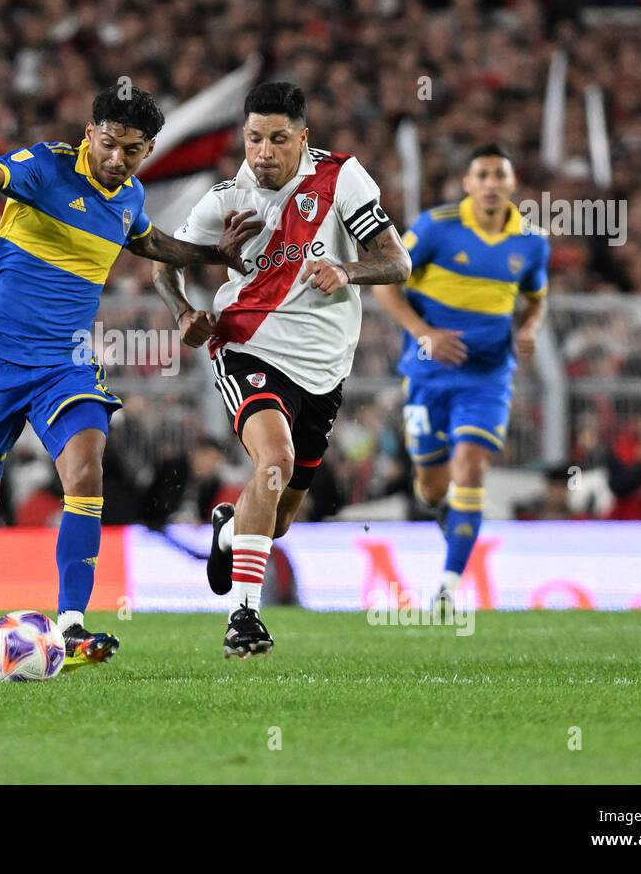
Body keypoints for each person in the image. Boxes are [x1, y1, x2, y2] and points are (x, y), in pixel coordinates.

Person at [0, 85, 255, 669]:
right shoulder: (46, 166)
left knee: (85, 469)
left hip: (62, 363)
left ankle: (70, 624)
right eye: (109, 143)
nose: (117, 159)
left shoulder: (131, 196)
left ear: (147, 150)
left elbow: (147, 240)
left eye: (133, 150)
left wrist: (208, 254)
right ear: (89, 131)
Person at [153, 81, 411, 657]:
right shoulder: (224, 199)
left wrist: (346, 271)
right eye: (253, 139)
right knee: (275, 459)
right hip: (246, 345)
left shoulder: (341, 179)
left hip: (324, 367)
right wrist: (186, 313)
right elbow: (164, 266)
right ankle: (244, 617)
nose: (263, 152)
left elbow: (397, 262)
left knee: (280, 518)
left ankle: (228, 530)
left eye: (277, 139)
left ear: (303, 138)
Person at [372, 144, 549, 611]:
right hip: (428, 374)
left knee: (470, 464)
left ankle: (449, 585)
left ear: (513, 185)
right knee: (430, 484)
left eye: (500, 176)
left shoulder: (531, 241)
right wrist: (423, 332)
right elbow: (386, 282)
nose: (491, 184)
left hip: (487, 377)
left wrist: (527, 329)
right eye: (482, 175)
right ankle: (445, 511)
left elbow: (535, 298)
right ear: (467, 184)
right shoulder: (436, 227)